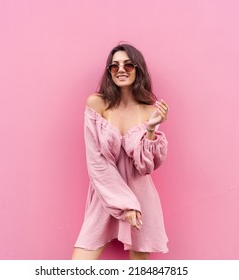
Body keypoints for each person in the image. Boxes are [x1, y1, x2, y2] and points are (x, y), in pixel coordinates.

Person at [72, 43, 169, 260]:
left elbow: (146, 166)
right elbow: (97, 163)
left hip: (141, 199)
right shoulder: (97, 104)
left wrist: (151, 129)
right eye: (114, 66)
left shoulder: (150, 111)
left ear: (138, 69)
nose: (121, 70)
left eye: (128, 65)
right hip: (105, 196)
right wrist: (126, 204)